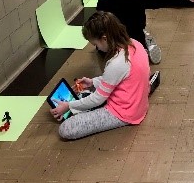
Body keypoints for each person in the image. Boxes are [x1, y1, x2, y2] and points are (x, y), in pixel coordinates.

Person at [50, 12, 151, 140]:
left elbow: (98, 99)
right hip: (137, 103)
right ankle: (80, 103)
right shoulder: (135, 43)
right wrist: (93, 82)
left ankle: (74, 106)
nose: (96, 48)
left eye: (95, 44)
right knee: (86, 92)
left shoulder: (117, 63)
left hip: (124, 112)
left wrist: (69, 106)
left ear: (104, 38)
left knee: (65, 129)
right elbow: (122, 77)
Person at [97, 0, 163, 65]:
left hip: (111, 44)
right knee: (140, 33)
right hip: (132, 41)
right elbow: (159, 1)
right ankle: (142, 51)